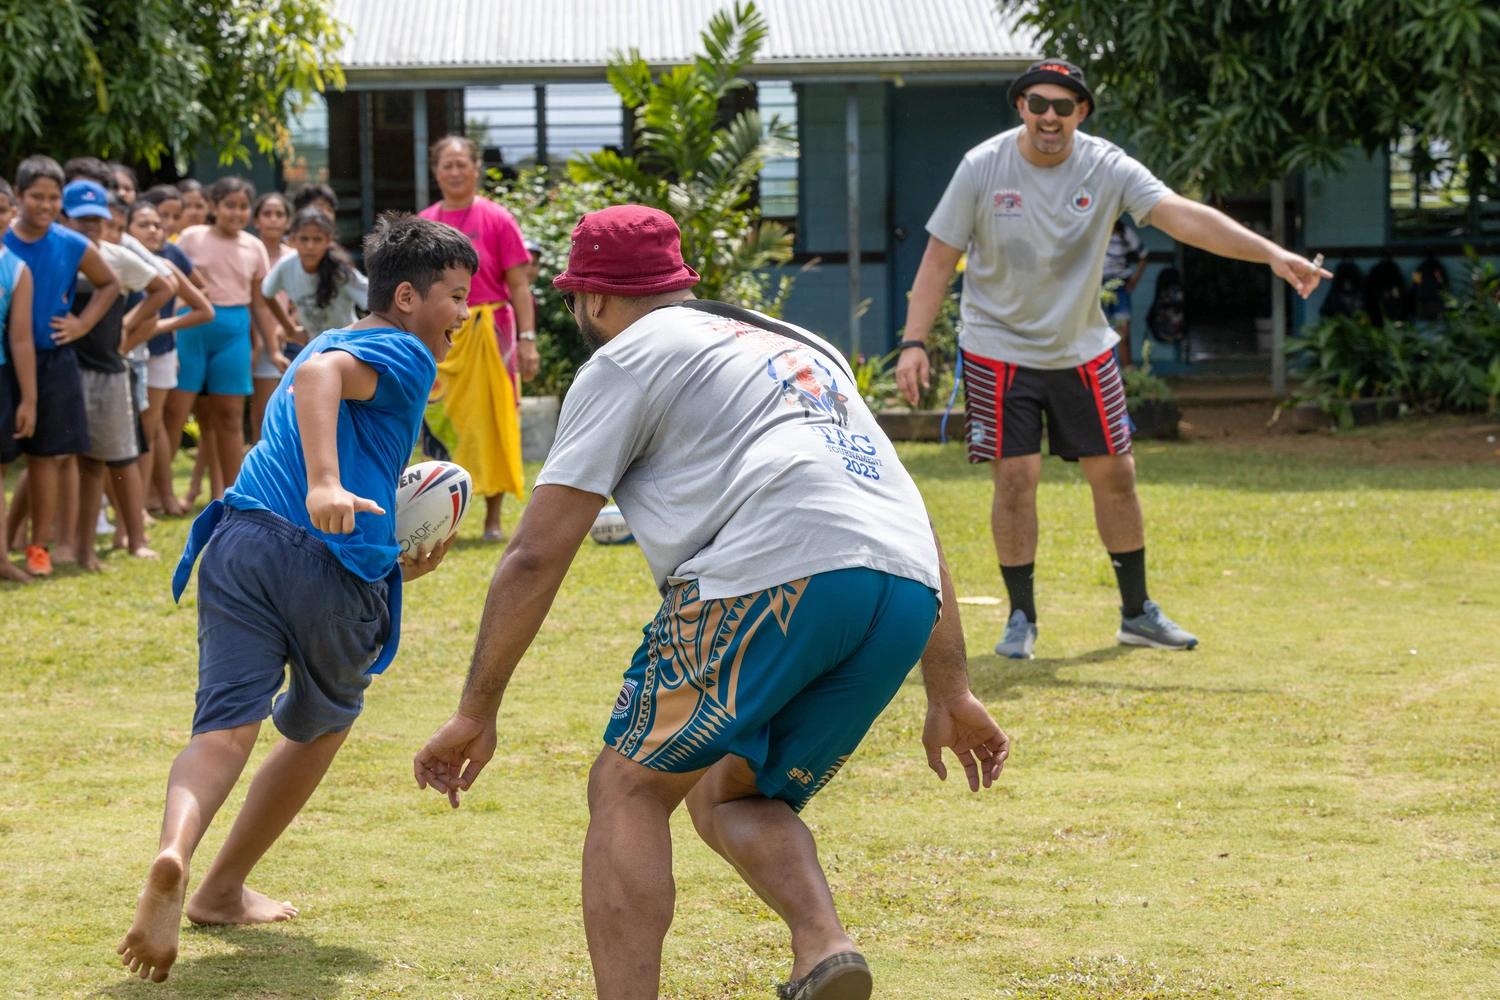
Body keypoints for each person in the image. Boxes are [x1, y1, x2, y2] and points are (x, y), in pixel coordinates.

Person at [413, 206, 1010, 1000]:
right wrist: (951, 688)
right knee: (732, 788)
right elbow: (905, 507)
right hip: (900, 585)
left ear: (591, 299)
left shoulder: (626, 357)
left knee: (628, 786)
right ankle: (822, 946)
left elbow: (534, 554)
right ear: (679, 280)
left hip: (773, 574)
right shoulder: (802, 343)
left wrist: (476, 710)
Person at [116, 215, 474, 984]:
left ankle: (175, 849)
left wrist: (391, 558)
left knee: (222, 733)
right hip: (322, 561)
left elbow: (317, 381)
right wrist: (323, 484)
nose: (463, 312)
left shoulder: (326, 338)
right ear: (406, 297)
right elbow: (321, 386)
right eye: (453, 295)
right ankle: (217, 888)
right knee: (321, 725)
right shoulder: (406, 352)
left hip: (239, 539)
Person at [895, 59, 1330, 659]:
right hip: (996, 348)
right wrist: (915, 343)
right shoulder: (983, 166)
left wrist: (1272, 254)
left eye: (1064, 106)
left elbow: (1182, 215)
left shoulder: (1105, 165)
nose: (1050, 115)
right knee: (1016, 481)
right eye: (1038, 103)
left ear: (1082, 113)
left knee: (1117, 476)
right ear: (1020, 107)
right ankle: (1020, 617)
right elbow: (939, 259)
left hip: (1081, 347)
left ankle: (1136, 613)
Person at [3, 156, 122, 576]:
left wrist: (83, 323)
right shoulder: (5, 241)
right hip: (6, 360)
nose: (46, 205)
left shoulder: (70, 242)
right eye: (36, 196)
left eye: (54, 198)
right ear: (18, 197)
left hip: (53, 358)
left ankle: (40, 547)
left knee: (48, 455)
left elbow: (110, 283)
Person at [418, 135, 538, 542]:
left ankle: (492, 518)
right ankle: (430, 515)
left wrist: (527, 338)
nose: (454, 172)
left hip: (491, 330)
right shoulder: (424, 222)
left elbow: (519, 285)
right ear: (436, 171)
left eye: (461, 164)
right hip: (438, 333)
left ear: (475, 169)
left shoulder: (498, 219)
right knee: (436, 418)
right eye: (446, 165)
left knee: (493, 422)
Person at [59, 182, 173, 568]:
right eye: (82, 219)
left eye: (98, 219)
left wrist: (127, 325)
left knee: (115, 457)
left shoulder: (117, 258)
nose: (91, 226)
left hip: (109, 371)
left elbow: (162, 289)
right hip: (64, 369)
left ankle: (126, 538)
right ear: (65, 218)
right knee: (59, 459)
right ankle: (61, 542)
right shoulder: (57, 255)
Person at [172, 177, 278, 498]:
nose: (237, 212)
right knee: (174, 413)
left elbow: (259, 302)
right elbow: (169, 278)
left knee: (231, 415)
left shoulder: (253, 246)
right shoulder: (191, 237)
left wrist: (273, 346)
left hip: (233, 329)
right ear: (213, 207)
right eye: (229, 205)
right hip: (190, 324)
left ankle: (234, 494)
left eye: (243, 206)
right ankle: (159, 494)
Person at [126, 199, 215, 516]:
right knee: (134, 429)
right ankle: (140, 502)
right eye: (144, 224)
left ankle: (143, 505)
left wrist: (165, 321)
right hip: (126, 352)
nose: (153, 230)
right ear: (127, 229)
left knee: (150, 428)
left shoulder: (170, 256)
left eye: (157, 225)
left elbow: (201, 294)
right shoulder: (120, 258)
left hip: (160, 351)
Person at [0, 178, 37, 583]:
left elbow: (21, 337)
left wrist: (28, 399)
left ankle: (1, 558)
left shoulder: (16, 269)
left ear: (12, 214)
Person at [263, 207, 368, 348]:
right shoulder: (286, 266)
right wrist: (290, 329)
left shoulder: (341, 272)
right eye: (304, 239)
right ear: (293, 239)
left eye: (317, 239)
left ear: (328, 241)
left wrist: (362, 334)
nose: (310, 246)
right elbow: (267, 293)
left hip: (346, 348)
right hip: (313, 346)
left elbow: (376, 301)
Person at [249, 192, 296, 441]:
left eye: (280, 214)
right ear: (256, 220)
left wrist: (286, 327)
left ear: (288, 222)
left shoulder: (294, 257)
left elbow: (303, 298)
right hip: (250, 339)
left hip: (286, 340)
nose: (273, 220)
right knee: (258, 412)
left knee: (287, 410)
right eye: (267, 214)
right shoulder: (247, 250)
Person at [1103, 220, 1148, 367]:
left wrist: (1134, 279)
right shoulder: (1097, 229)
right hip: (1100, 289)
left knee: (1123, 334)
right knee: (1102, 334)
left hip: (1120, 287)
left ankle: (1128, 375)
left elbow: (1143, 255)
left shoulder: (1125, 233)